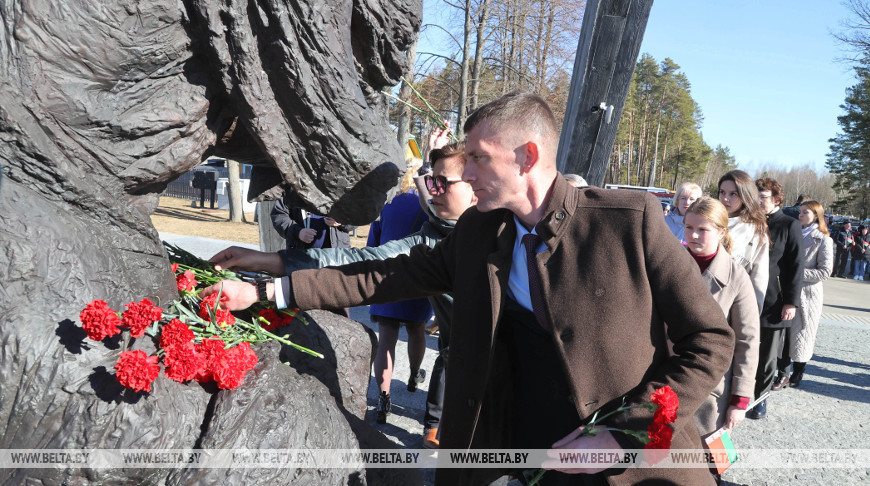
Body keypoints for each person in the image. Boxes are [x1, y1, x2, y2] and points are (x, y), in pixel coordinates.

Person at [204, 92, 734, 486]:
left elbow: (710, 340)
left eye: (478, 157)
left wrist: (625, 433)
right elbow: (384, 273)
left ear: (527, 157)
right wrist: (269, 292)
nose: (463, 170)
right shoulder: (480, 230)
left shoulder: (628, 222)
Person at [210, 138, 476, 449]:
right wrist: (270, 261)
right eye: (430, 182)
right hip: (463, 375)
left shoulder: (498, 238)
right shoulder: (434, 236)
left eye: (443, 183)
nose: (432, 191)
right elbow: (361, 265)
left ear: (475, 186)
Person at [683, 197, 759, 439]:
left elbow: (748, 340)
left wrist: (740, 399)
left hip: (710, 388)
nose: (693, 235)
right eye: (689, 227)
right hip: (665, 381)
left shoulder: (737, 277)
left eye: (702, 230)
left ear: (721, 231)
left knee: (706, 463)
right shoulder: (669, 265)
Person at [365, 162, 433, 424]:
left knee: (387, 340)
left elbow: (373, 244)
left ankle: (383, 398)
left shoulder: (387, 203)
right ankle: (415, 375)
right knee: (416, 330)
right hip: (419, 277)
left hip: (386, 277)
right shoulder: (431, 206)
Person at [747, 178, 803, 420]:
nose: (758, 201)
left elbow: (795, 266)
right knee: (743, 351)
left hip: (774, 300)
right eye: (755, 196)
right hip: (746, 296)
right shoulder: (748, 221)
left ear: (777, 199)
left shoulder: (789, 225)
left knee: (767, 357)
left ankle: (760, 399)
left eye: (764, 197)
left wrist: (791, 301)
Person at [775, 200, 833, 388]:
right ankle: (782, 372)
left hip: (808, 294)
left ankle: (799, 371)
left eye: (805, 212)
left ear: (816, 215)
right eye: (799, 212)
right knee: (783, 334)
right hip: (786, 290)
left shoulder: (824, 239)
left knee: (803, 334)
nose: (800, 215)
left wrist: (797, 272)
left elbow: (824, 272)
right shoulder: (793, 233)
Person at [717, 170, 769, 310]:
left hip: (732, 304)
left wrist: (753, 311)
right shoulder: (708, 221)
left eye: (733, 194)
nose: (725, 198)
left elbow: (759, 275)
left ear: (746, 196)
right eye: (722, 192)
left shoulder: (755, 230)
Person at [270, 198, 355, 251]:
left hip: (338, 256)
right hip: (301, 258)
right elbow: (279, 214)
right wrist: (298, 232)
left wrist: (342, 221)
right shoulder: (294, 187)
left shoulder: (343, 186)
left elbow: (358, 215)